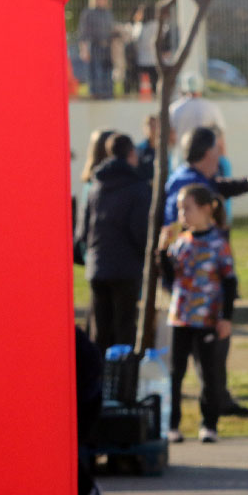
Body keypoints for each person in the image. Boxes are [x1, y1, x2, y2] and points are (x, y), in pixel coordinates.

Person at [158, 184, 237, 444]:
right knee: (175, 373)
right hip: (181, 316)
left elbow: (229, 281)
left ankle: (209, 424)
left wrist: (226, 317)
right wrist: (161, 251)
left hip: (207, 318)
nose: (182, 214)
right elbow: (170, 280)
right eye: (179, 209)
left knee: (208, 372)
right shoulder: (181, 242)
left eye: (187, 208)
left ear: (205, 209)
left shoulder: (218, 242)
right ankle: (172, 424)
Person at [76, 133, 151, 354]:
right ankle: (121, 384)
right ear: (131, 154)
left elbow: (84, 229)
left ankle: (100, 383)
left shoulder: (96, 186)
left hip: (99, 267)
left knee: (100, 330)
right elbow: (140, 232)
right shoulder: (137, 188)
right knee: (124, 330)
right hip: (125, 269)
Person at [75, 326, 104, 495]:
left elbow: (92, 366)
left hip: (81, 400)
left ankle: (88, 493)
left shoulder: (72, 338)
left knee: (61, 454)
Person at [169, 73, 227, 159]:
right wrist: (223, 161)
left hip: (180, 158)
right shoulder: (211, 107)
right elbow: (220, 137)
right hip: (204, 160)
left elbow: (171, 137)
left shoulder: (174, 108)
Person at [77, 0, 115, 99]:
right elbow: (83, 34)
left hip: (107, 50)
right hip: (95, 49)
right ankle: (96, 99)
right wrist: (84, 50)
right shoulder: (88, 13)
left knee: (108, 79)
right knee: (96, 79)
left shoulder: (108, 14)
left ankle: (108, 99)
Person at [131, 4, 159, 96]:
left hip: (152, 60)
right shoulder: (138, 26)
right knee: (143, 86)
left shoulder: (154, 25)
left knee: (154, 83)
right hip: (141, 60)